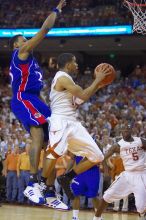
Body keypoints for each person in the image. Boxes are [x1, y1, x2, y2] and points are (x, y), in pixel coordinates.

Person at [9, 0, 67, 209]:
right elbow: (44, 30)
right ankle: (33, 181)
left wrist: (49, 109)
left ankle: (48, 189)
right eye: (23, 40)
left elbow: (38, 91)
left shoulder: (32, 63)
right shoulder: (21, 53)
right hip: (22, 98)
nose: (26, 41)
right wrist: (56, 10)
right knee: (38, 135)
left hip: (35, 98)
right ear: (17, 45)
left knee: (53, 141)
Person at [46, 53, 111, 199]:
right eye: (74, 62)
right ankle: (42, 183)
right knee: (54, 152)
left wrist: (98, 85)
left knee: (97, 156)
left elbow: (81, 99)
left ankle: (67, 177)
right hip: (61, 120)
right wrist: (97, 79)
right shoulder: (62, 76)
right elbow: (83, 95)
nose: (77, 65)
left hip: (73, 122)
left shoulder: (69, 80)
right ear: (68, 64)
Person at [93, 124, 146, 220]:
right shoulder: (117, 146)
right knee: (107, 195)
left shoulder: (140, 141)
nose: (126, 131)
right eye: (124, 129)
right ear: (121, 131)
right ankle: (96, 218)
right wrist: (105, 172)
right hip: (128, 175)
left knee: (141, 206)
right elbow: (103, 158)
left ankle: (142, 215)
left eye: (128, 129)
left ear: (131, 130)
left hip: (141, 174)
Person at [70, 155, 100, 220]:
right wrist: (67, 172)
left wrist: (106, 171)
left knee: (94, 195)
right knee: (75, 194)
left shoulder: (97, 144)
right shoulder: (76, 145)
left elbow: (102, 158)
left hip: (92, 172)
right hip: (79, 171)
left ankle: (98, 216)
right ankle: (75, 217)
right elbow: (72, 159)